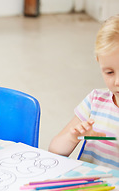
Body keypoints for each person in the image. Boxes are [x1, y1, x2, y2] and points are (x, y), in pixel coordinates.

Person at [49, 15, 119, 169]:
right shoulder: (95, 101)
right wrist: (73, 137)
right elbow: (54, 149)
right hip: (91, 187)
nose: (117, 82)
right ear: (98, 61)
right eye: (109, 72)